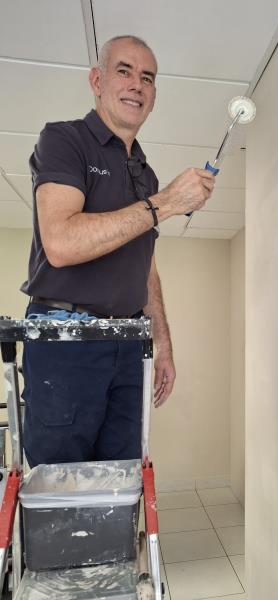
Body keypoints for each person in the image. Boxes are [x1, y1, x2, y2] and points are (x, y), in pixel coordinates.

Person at [20, 35, 215, 467]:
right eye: (124, 71)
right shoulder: (65, 140)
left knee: (122, 478)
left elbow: (145, 268)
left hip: (129, 343)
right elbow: (60, 243)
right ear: (97, 81)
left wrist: (163, 344)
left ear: (154, 96)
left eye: (147, 78)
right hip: (66, 338)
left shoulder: (145, 174)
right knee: (63, 482)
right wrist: (165, 203)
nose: (136, 85)